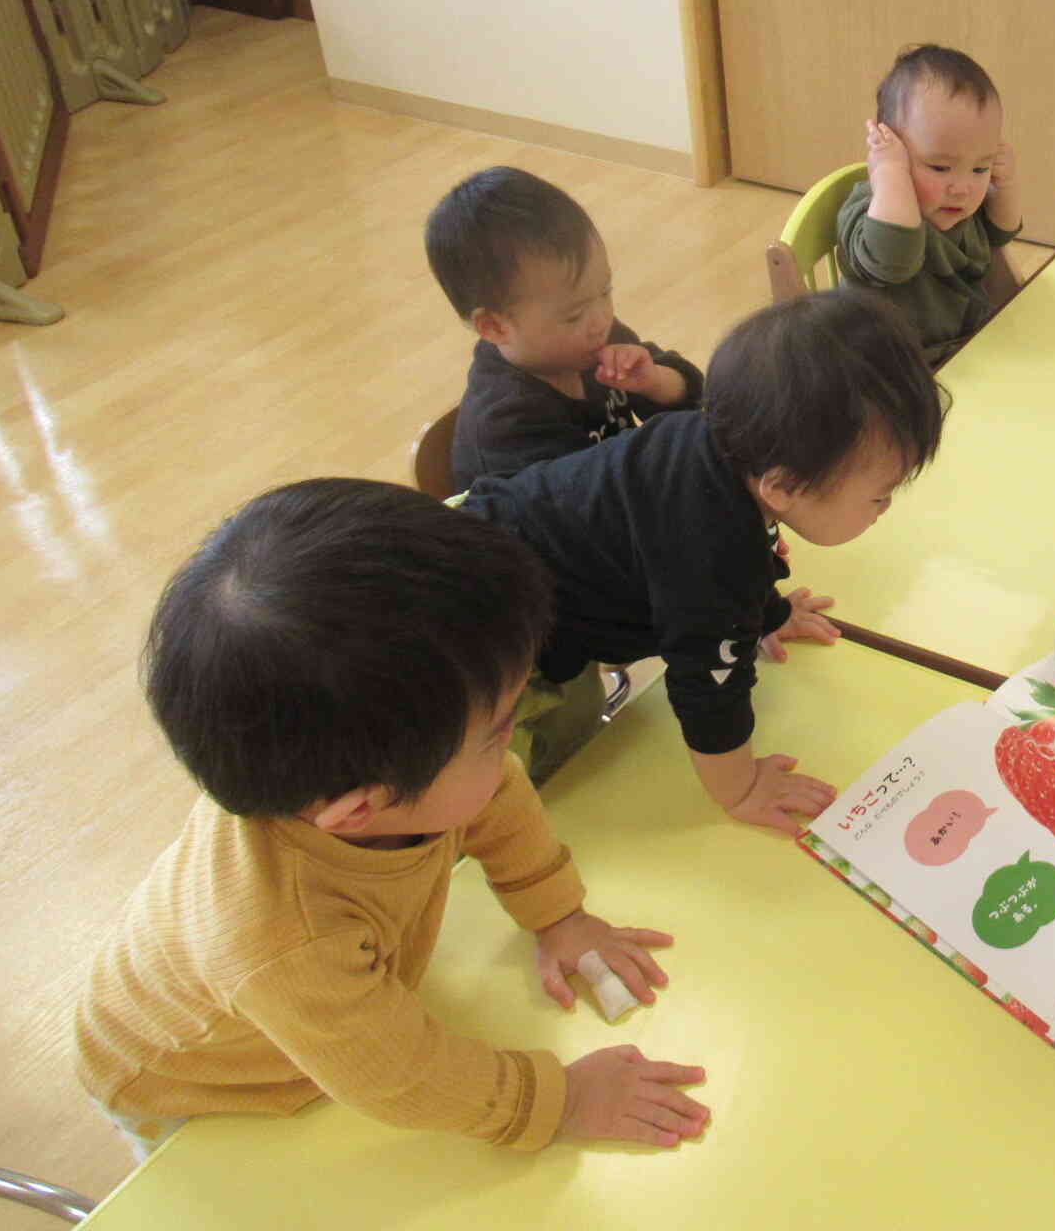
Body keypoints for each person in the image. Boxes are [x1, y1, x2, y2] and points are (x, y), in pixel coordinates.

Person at [75, 480, 709, 1158]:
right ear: (360, 811)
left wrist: (559, 915)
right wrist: (564, 1100)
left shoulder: (367, 784)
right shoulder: (286, 944)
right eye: (497, 733)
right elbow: (404, 1079)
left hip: (310, 1015)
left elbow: (498, 800)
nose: (513, 743)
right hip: (192, 1082)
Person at [461, 290, 946, 836]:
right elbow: (707, 684)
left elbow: (734, 546)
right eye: (880, 495)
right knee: (504, 791)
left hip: (499, 540)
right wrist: (739, 786)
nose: (885, 510)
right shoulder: (714, 557)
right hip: (487, 638)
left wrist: (768, 612)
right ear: (783, 486)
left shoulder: (719, 445)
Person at [426, 165, 704, 494]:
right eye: (573, 315)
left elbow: (692, 397)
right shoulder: (509, 426)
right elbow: (584, 518)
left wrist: (654, 380)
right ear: (495, 327)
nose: (601, 319)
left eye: (605, 292)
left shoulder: (593, 337)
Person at [836, 44, 1024, 361]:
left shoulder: (957, 206)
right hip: (890, 367)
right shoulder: (873, 208)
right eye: (939, 167)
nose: (963, 188)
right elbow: (895, 260)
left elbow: (1001, 234)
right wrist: (890, 172)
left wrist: (1005, 185)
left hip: (965, 348)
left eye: (980, 167)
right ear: (891, 147)